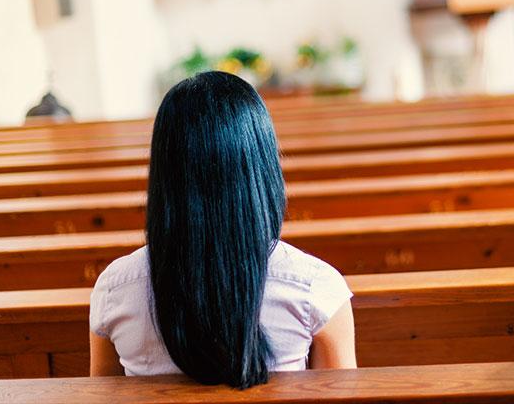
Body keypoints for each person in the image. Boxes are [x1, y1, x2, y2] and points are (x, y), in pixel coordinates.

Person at [89, 71, 356, 389]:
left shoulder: (115, 290)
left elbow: (102, 395)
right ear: (262, 168)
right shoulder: (316, 289)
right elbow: (341, 397)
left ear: (163, 174)